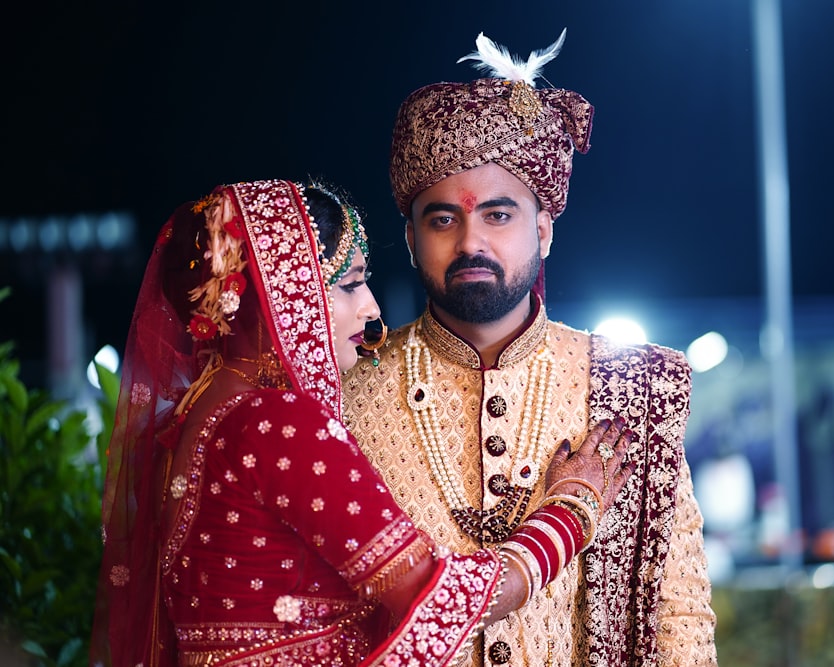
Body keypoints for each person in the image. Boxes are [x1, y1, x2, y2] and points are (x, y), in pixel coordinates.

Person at [89, 178, 636, 666]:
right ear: (285, 295)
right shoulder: (277, 422)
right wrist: (568, 515)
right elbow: (437, 596)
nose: (372, 308)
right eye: (349, 284)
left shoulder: (196, 411)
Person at [343, 31, 718, 666]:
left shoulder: (631, 387)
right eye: (443, 219)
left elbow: (676, 608)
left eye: (499, 215)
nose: (470, 242)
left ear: (543, 228)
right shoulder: (349, 389)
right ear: (409, 239)